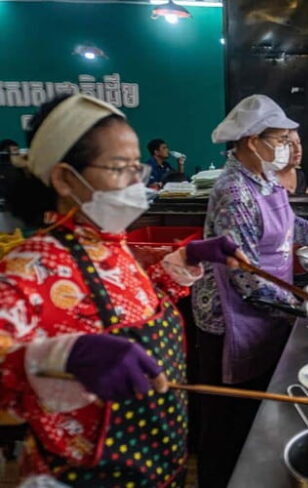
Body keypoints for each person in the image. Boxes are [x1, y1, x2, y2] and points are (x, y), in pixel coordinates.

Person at [0, 94, 244, 486]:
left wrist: (186, 259)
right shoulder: (32, 267)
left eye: (137, 167)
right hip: (83, 476)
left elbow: (137, 310)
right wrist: (60, 355)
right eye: (119, 168)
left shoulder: (110, 244)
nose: (137, 182)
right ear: (64, 178)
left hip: (155, 464)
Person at [191, 95, 308, 487]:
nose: (289, 146)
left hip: (264, 312)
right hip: (229, 322)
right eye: (282, 138)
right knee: (226, 424)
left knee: (253, 413)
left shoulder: (265, 180)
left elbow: (291, 227)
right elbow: (246, 279)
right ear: (253, 141)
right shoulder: (234, 191)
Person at [275, 129, 308, 194]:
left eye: (298, 142)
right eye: (290, 144)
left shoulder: (300, 175)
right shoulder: (267, 177)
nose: (297, 150)